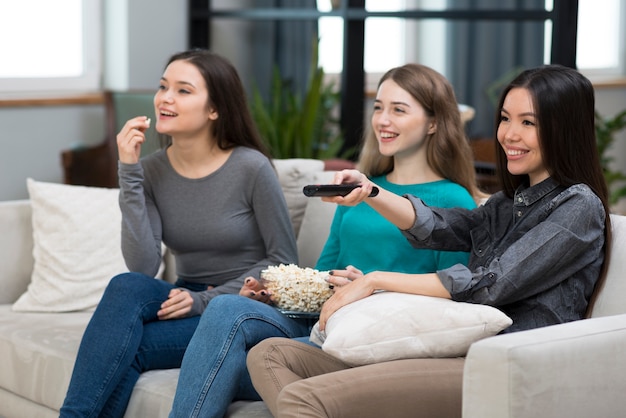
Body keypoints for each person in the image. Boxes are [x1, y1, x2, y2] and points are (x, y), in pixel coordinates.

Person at [246, 64, 613, 418]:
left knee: (303, 399)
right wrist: (371, 191)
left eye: (528, 122)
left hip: (501, 362)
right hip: (456, 346)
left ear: (564, 129)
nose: (509, 134)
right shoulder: (508, 202)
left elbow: (491, 285)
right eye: (505, 118)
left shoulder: (578, 206)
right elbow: (442, 227)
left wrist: (375, 281)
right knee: (268, 355)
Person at [167, 63, 479, 417]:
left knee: (233, 361)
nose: (382, 120)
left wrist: (372, 288)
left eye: (398, 110)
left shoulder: (452, 200)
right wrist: (278, 294)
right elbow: (322, 274)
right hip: (323, 321)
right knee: (227, 308)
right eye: (378, 107)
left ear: (434, 123)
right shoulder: (359, 189)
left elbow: (452, 292)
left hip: (375, 336)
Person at [58, 49, 298, 418]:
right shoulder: (152, 170)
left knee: (126, 348)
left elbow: (284, 261)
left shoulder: (251, 168)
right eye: (163, 86)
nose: (165, 98)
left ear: (214, 109)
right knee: (126, 285)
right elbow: (142, 265)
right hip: (184, 295)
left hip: (238, 307)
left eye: (183, 91)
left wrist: (205, 300)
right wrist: (129, 170)